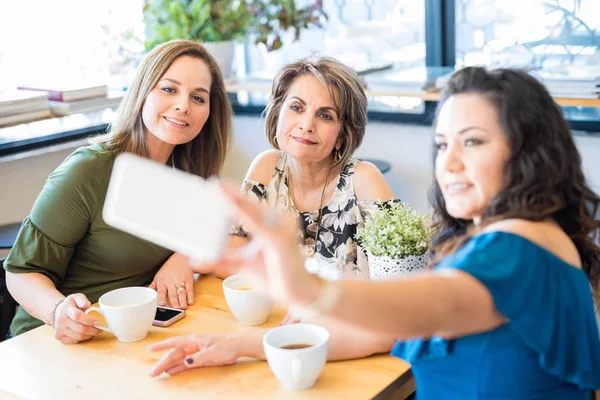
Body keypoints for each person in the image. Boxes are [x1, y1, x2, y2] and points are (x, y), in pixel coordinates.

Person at [151, 67, 600, 398]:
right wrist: (236, 346)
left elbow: (428, 302)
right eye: (443, 144)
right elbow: (382, 332)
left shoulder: (515, 251)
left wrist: (306, 287)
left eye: (474, 141)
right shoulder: (517, 237)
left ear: (529, 150)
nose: (449, 162)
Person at [3, 39, 232, 343]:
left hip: (129, 335)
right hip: (51, 339)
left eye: (198, 97)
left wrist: (183, 256)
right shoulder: (89, 170)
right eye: (169, 89)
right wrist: (58, 312)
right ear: (142, 92)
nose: (183, 105)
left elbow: (211, 229)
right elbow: (21, 272)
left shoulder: (190, 172)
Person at [198, 55, 396, 280]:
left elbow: (400, 281)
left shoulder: (364, 180)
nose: (306, 125)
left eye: (325, 115)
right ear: (278, 113)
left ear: (342, 136)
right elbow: (231, 261)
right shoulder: (266, 167)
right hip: (274, 313)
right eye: (296, 107)